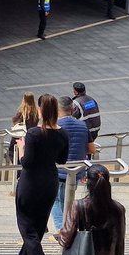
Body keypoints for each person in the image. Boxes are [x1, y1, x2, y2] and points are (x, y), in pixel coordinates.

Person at [16, 93, 69, 255]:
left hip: (31, 183)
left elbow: (27, 163)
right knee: (38, 223)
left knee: (26, 225)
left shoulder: (33, 134)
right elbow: (62, 160)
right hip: (50, 182)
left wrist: (22, 146)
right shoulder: (62, 133)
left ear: (40, 110)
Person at [52, 95, 90, 232]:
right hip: (76, 171)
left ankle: (62, 228)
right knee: (68, 199)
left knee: (55, 199)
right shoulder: (83, 125)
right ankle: (68, 227)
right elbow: (91, 148)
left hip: (58, 169)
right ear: (73, 109)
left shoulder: (55, 125)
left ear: (57, 109)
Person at [7, 91, 39, 165]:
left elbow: (15, 121)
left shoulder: (22, 111)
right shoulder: (36, 112)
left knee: (12, 151)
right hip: (32, 137)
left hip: (22, 137)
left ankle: (18, 170)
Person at [72, 82, 102, 157]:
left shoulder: (76, 103)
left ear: (75, 91)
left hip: (85, 133)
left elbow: (72, 117)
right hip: (95, 131)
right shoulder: (92, 100)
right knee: (88, 149)